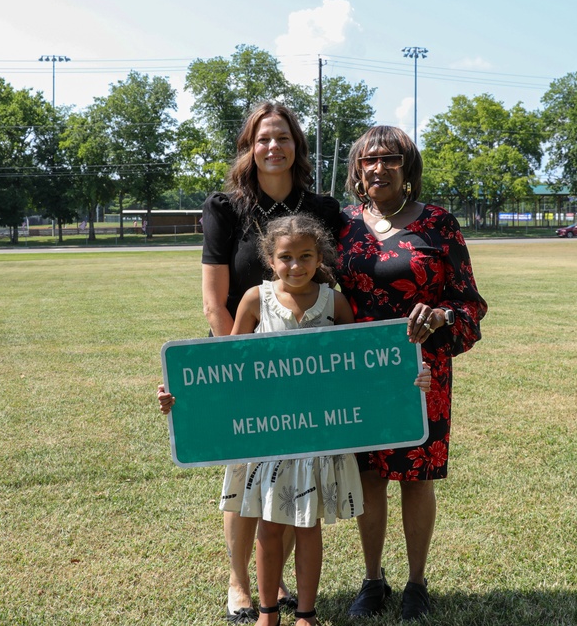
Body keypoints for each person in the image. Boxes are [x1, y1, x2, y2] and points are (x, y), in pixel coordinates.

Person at [161, 215, 432, 626]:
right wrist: (183, 399)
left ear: (319, 257)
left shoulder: (334, 302)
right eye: (285, 257)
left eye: (306, 256)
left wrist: (409, 379)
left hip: (317, 442)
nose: (296, 265)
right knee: (268, 529)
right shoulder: (255, 299)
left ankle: (306, 613)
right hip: (269, 442)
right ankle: (267, 612)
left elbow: (361, 365)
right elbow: (228, 367)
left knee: (308, 528)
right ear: (270, 260)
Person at [336, 125, 487, 621]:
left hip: (422, 371)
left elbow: (470, 302)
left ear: (408, 169)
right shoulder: (343, 225)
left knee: (417, 478)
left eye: (391, 159)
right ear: (357, 170)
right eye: (368, 160)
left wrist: (443, 316)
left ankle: (417, 584)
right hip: (359, 370)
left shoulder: (439, 224)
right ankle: (372, 580)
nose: (378, 168)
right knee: (370, 476)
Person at [199, 102, 342, 623]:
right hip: (243, 354)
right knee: (248, 477)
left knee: (290, 480)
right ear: (249, 147)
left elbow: (336, 293)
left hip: (306, 375)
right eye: (262, 139)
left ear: (296, 147)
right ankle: (240, 583)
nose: (272, 147)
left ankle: (277, 584)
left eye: (282, 137)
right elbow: (215, 299)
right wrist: (239, 369)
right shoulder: (224, 208)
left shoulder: (323, 210)